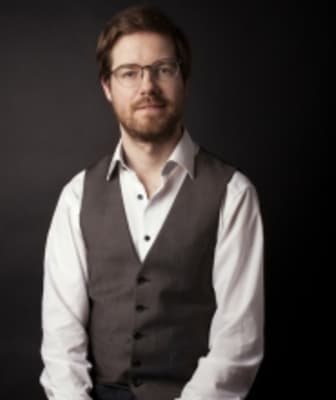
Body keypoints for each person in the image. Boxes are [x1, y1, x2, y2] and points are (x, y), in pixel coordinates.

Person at [40, 5, 264, 400]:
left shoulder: (233, 193)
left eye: (163, 69)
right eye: (129, 73)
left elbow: (237, 342)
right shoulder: (77, 196)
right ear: (108, 87)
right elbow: (62, 341)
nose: (148, 86)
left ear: (183, 79)